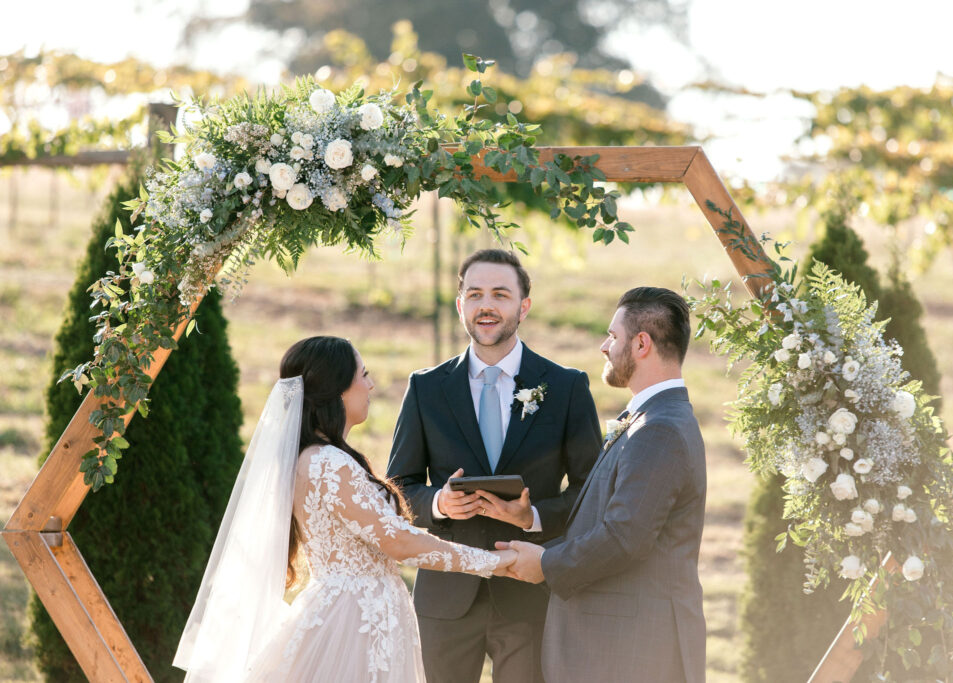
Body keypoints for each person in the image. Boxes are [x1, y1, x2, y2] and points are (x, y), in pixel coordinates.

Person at [173, 336, 517, 683]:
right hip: (353, 624)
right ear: (338, 390)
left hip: (359, 614)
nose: (371, 384)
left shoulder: (316, 457)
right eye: (363, 374)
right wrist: (493, 562)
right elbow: (397, 542)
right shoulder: (328, 463)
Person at [386, 249, 602, 683]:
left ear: (523, 306)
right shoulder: (426, 388)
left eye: (500, 294)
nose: (487, 305)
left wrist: (534, 516)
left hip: (529, 593)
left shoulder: (565, 386)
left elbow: (591, 490)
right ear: (460, 303)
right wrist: (440, 505)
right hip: (445, 595)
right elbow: (399, 487)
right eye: (475, 293)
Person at [499, 286, 707, 683]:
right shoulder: (655, 418)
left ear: (642, 344)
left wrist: (545, 564)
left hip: (629, 652)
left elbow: (625, 537)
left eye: (613, 337)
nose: (603, 346)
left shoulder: (659, 429)